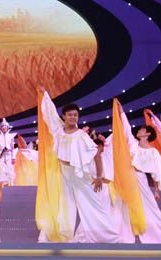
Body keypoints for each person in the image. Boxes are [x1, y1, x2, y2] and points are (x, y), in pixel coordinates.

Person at [39, 90, 121, 243]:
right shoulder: (58, 131)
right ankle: (55, 237)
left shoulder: (81, 135)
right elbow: (50, 114)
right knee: (61, 205)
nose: (73, 117)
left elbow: (96, 154)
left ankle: (112, 237)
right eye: (70, 114)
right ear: (64, 116)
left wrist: (98, 177)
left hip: (79, 176)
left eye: (75, 115)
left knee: (92, 205)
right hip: (63, 175)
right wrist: (44, 94)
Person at [113, 104, 161, 244]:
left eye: (142, 129)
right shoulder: (133, 144)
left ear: (147, 133)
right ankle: (122, 234)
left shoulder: (152, 151)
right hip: (126, 178)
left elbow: (156, 172)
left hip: (140, 179)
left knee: (150, 207)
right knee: (122, 205)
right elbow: (127, 129)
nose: (139, 130)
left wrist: (156, 191)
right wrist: (122, 112)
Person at [0, 118, 17, 184]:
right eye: (2, 126)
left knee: (10, 171)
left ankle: (12, 186)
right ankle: (3, 187)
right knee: (2, 171)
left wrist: (13, 157)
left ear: (7, 127)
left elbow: (13, 148)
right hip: (2, 155)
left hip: (9, 155)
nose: (4, 128)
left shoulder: (11, 136)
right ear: (1, 127)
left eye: (5, 126)